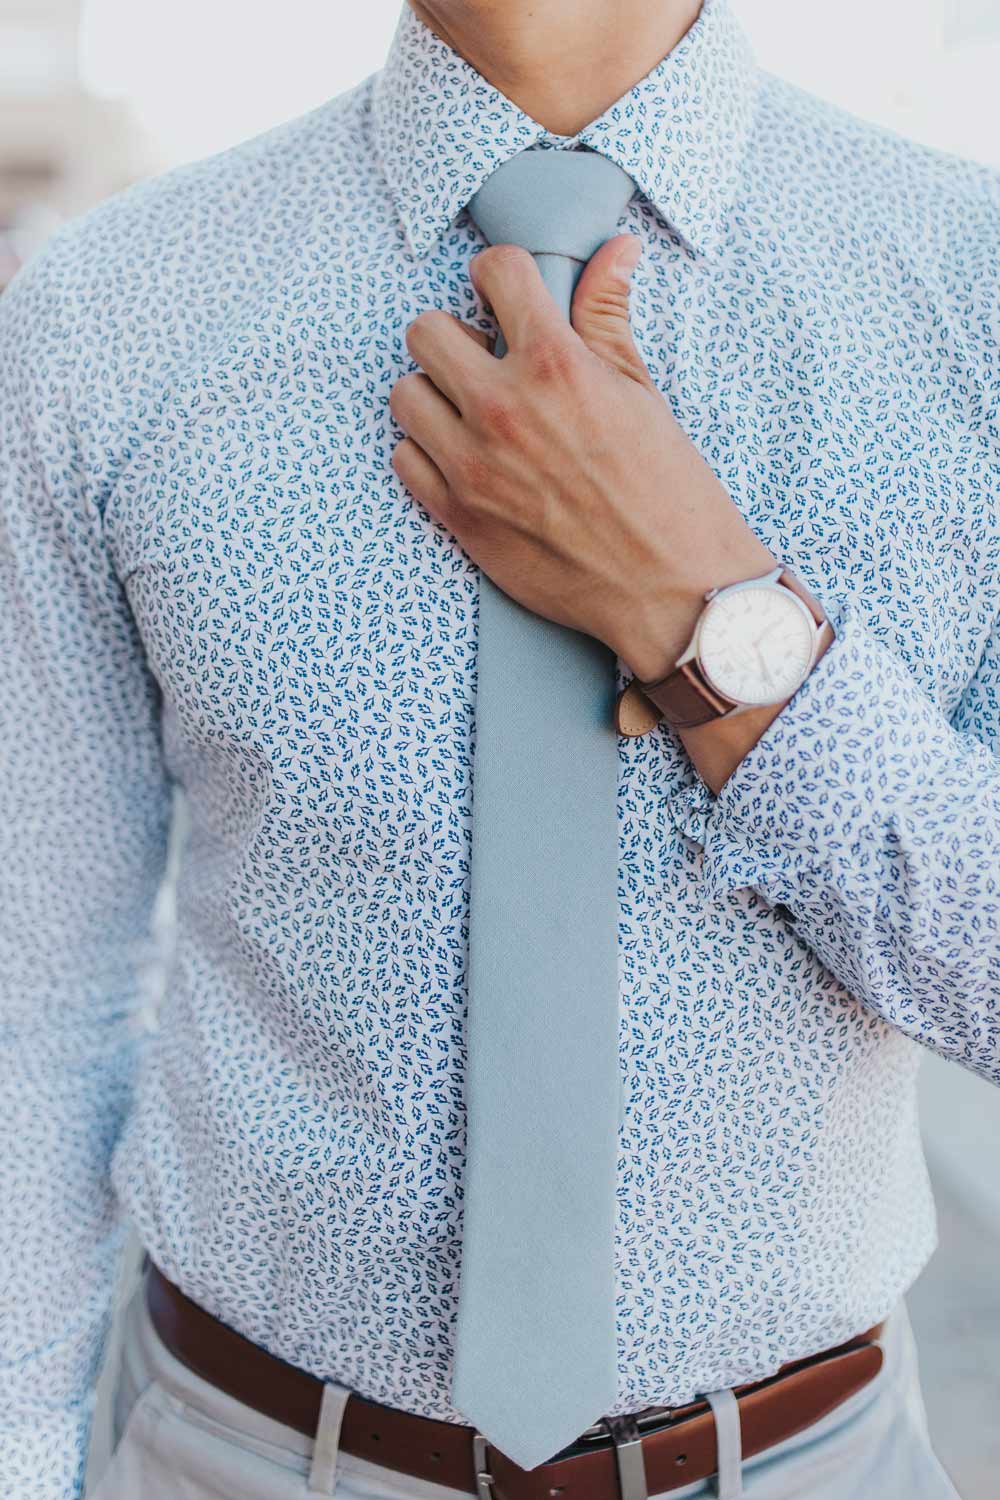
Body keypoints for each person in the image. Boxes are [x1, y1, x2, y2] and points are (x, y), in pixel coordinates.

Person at [1, 0, 996, 1495]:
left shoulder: (970, 289)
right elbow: (35, 993)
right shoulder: (109, 312)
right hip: (235, 1456)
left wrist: (702, 614)